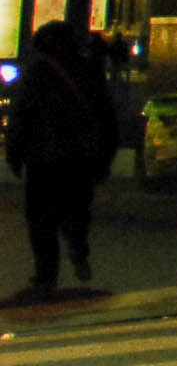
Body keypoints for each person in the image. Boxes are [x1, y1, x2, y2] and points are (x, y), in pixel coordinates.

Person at [7, 22, 120, 296]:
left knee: (41, 218)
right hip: (81, 157)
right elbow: (106, 118)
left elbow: (22, 114)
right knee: (78, 207)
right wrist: (105, 157)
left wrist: (15, 153)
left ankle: (46, 276)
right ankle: (78, 246)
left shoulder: (37, 72)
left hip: (43, 158)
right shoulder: (88, 71)